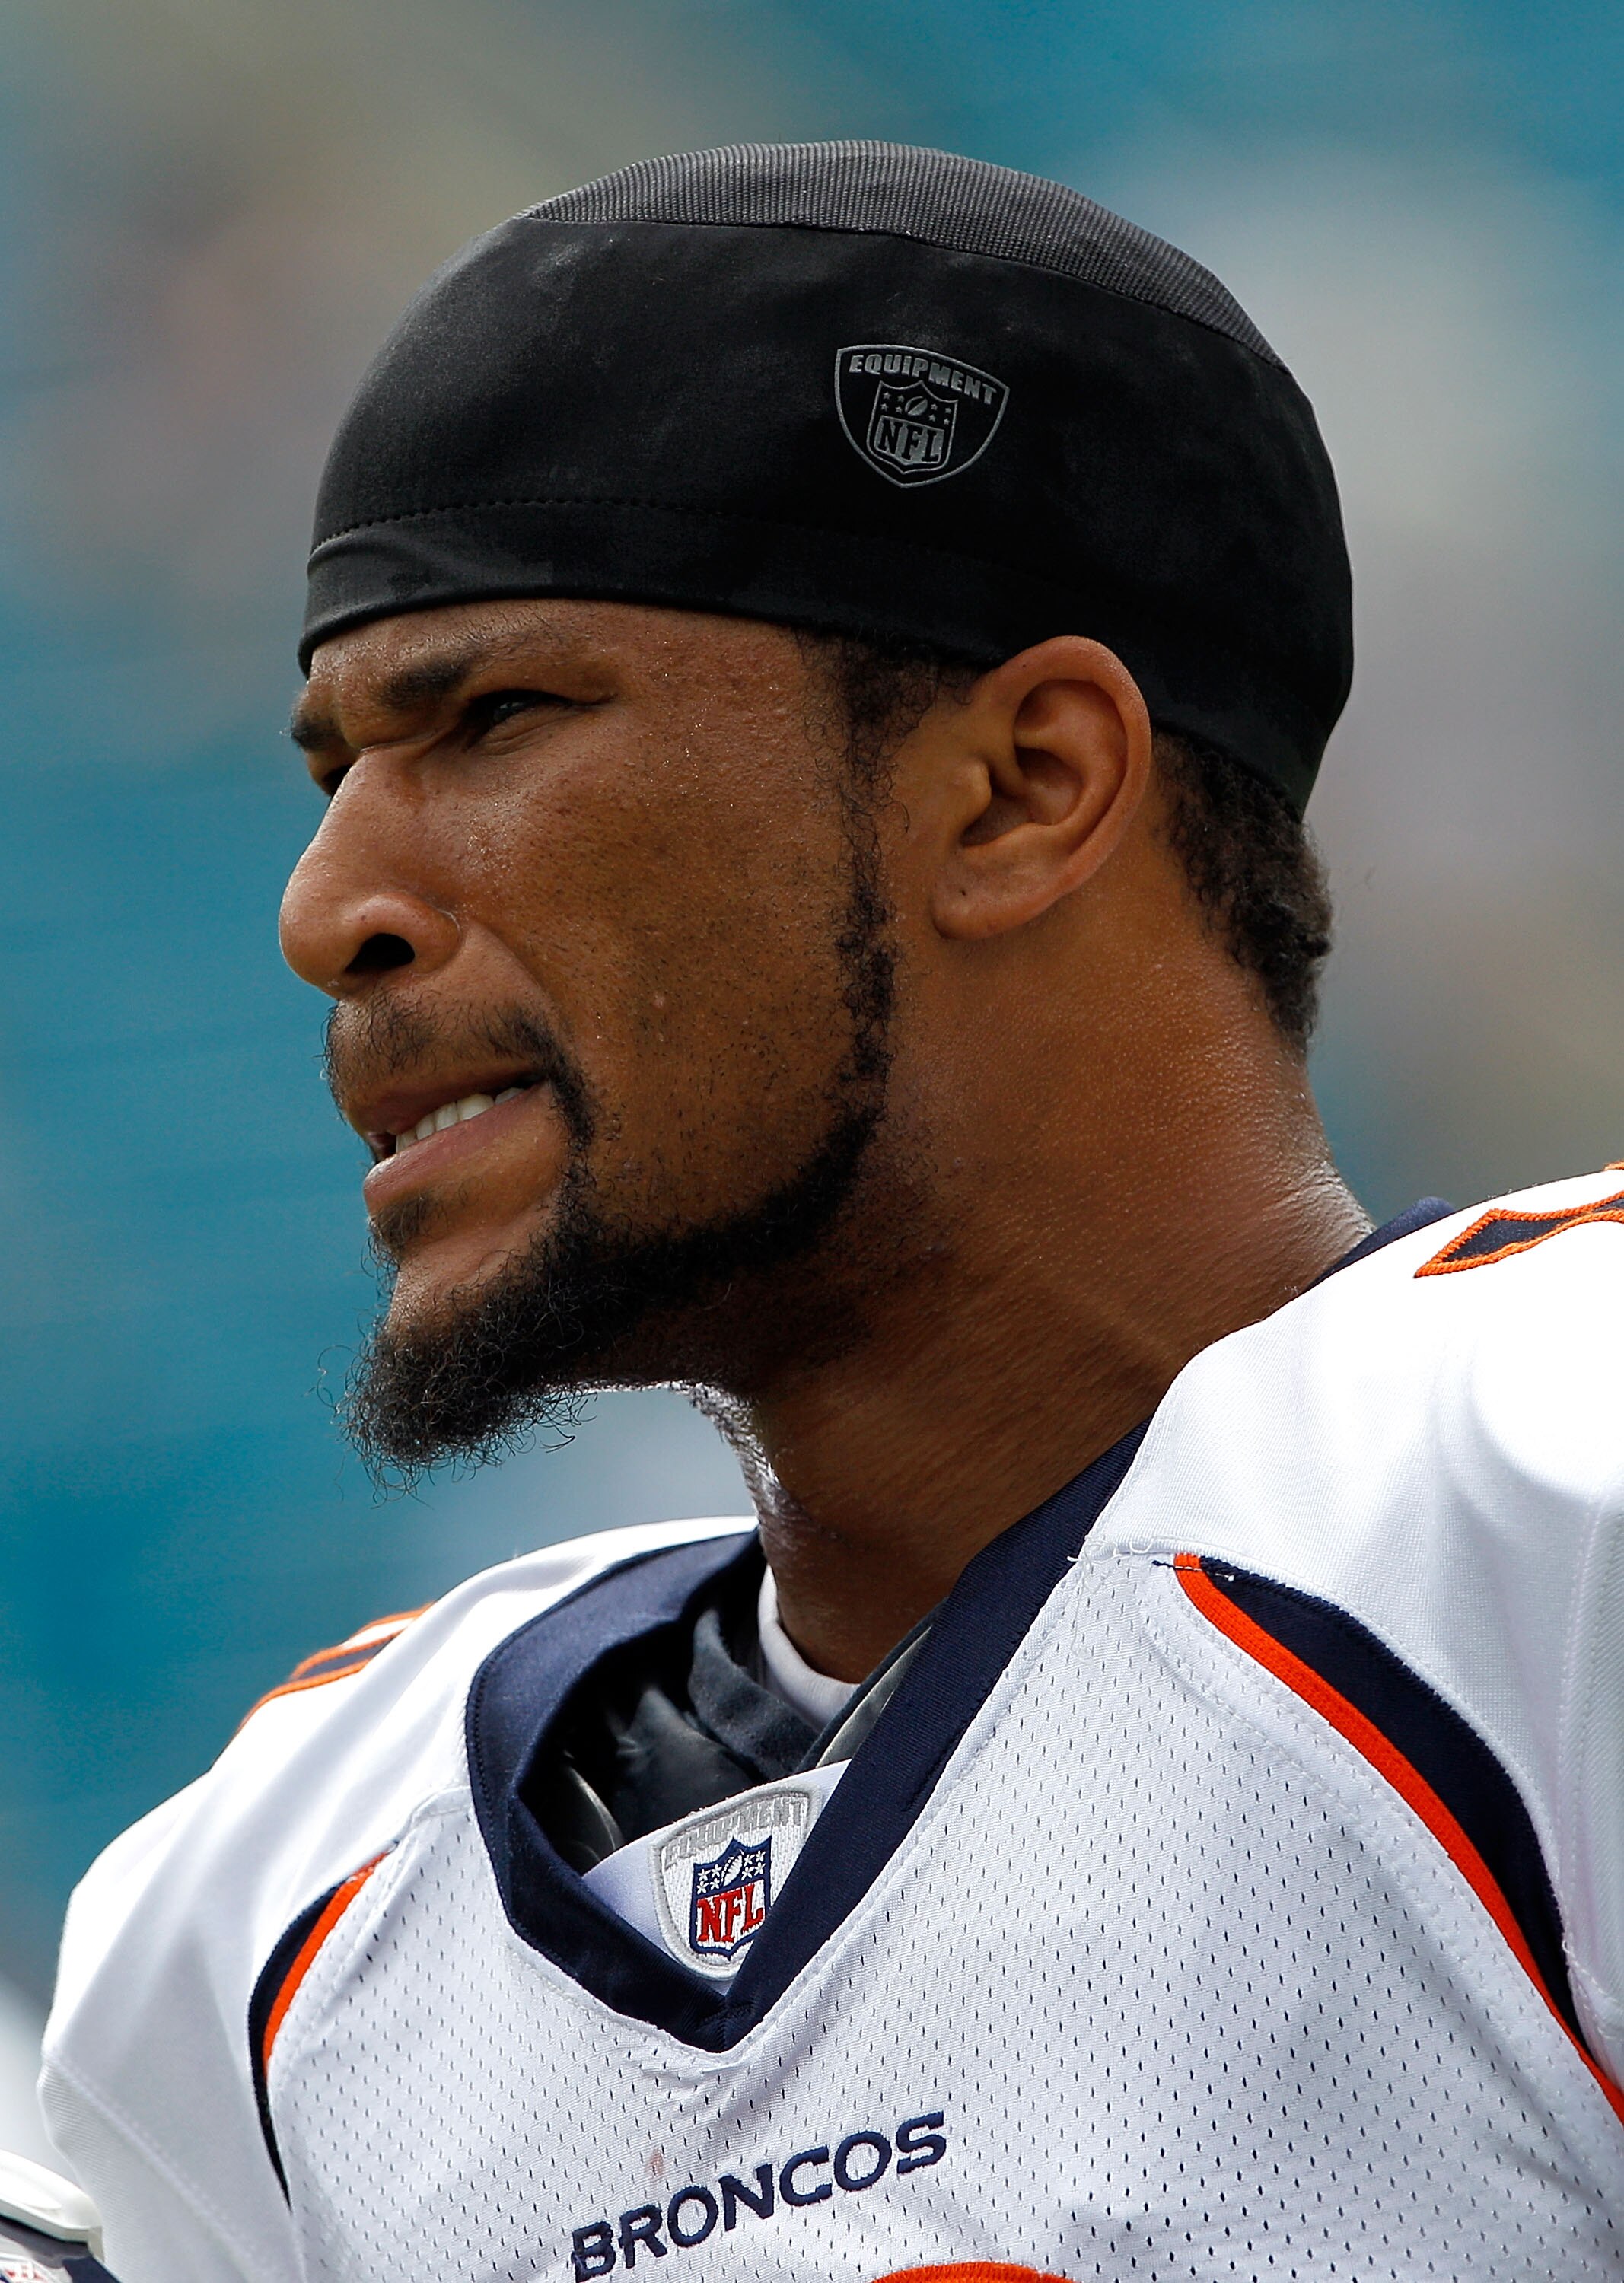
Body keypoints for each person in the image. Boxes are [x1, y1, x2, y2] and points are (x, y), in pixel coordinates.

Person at [38, 141, 1624, 2283]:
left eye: (491, 717)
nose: (332, 912)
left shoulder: (1541, 1487)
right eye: (337, 768)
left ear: (1020, 786)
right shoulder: (271, 1915)